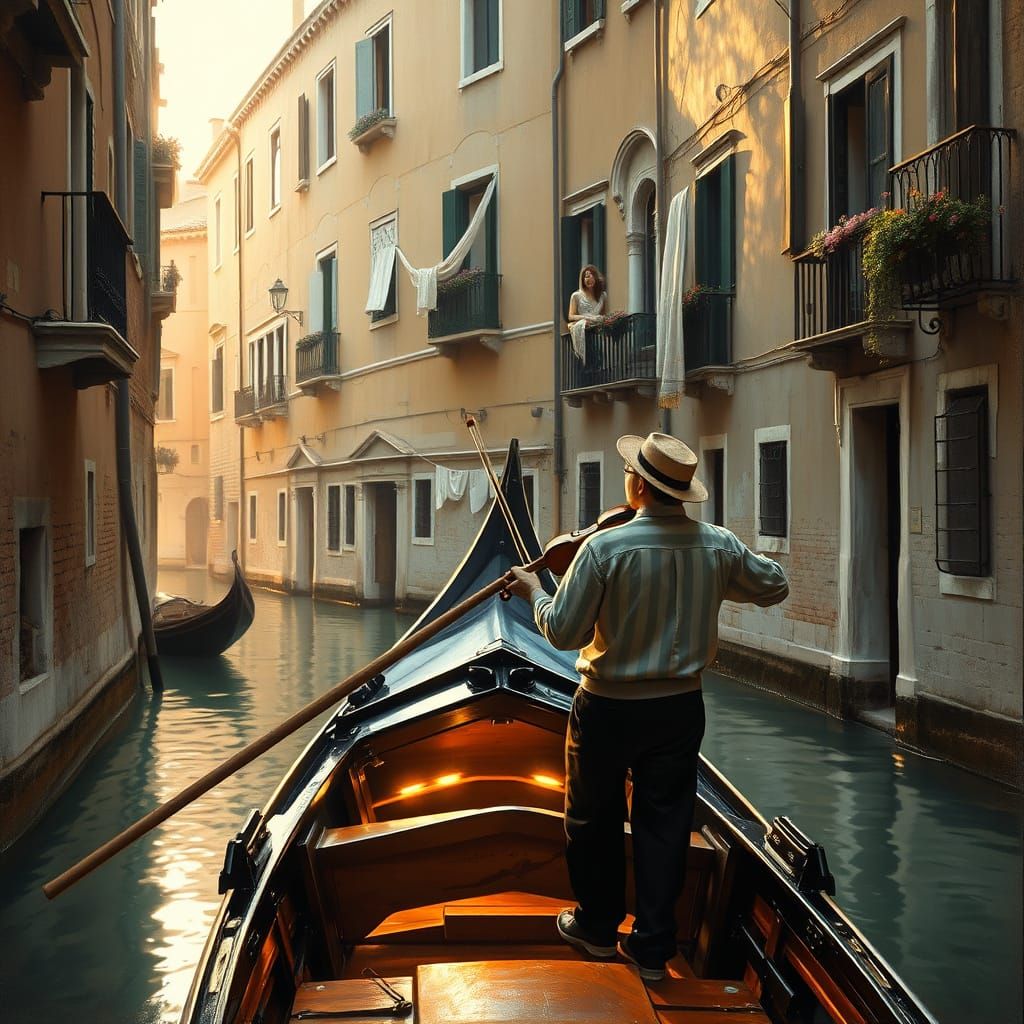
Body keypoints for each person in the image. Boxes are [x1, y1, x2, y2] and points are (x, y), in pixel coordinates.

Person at [508, 432, 789, 981]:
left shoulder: (604, 549)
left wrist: (533, 589)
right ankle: (654, 950)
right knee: (665, 827)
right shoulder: (718, 545)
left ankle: (596, 929)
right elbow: (774, 585)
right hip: (679, 710)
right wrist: (717, 577)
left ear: (637, 485)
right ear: (681, 492)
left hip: (608, 707)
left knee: (593, 819)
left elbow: (564, 632)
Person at [566, 265, 607, 362]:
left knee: (598, 358)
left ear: (596, 277)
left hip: (598, 335)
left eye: (592, 275)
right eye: (586, 276)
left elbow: (604, 314)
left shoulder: (603, 296)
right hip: (585, 332)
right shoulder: (576, 296)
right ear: (582, 280)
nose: (589, 278)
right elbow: (571, 316)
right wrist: (586, 317)